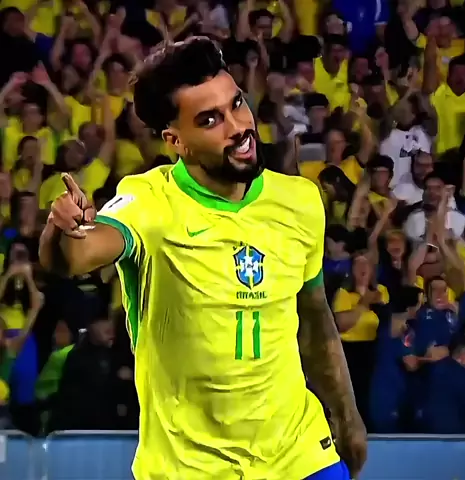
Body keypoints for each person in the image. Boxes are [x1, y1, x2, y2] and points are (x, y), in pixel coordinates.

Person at [39, 37, 366, 480]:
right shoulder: (150, 202)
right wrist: (65, 229)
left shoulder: (300, 200)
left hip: (301, 457)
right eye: (210, 119)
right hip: (190, 468)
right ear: (176, 141)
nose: (238, 127)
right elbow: (74, 257)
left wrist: (347, 415)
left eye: (237, 104)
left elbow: (314, 315)